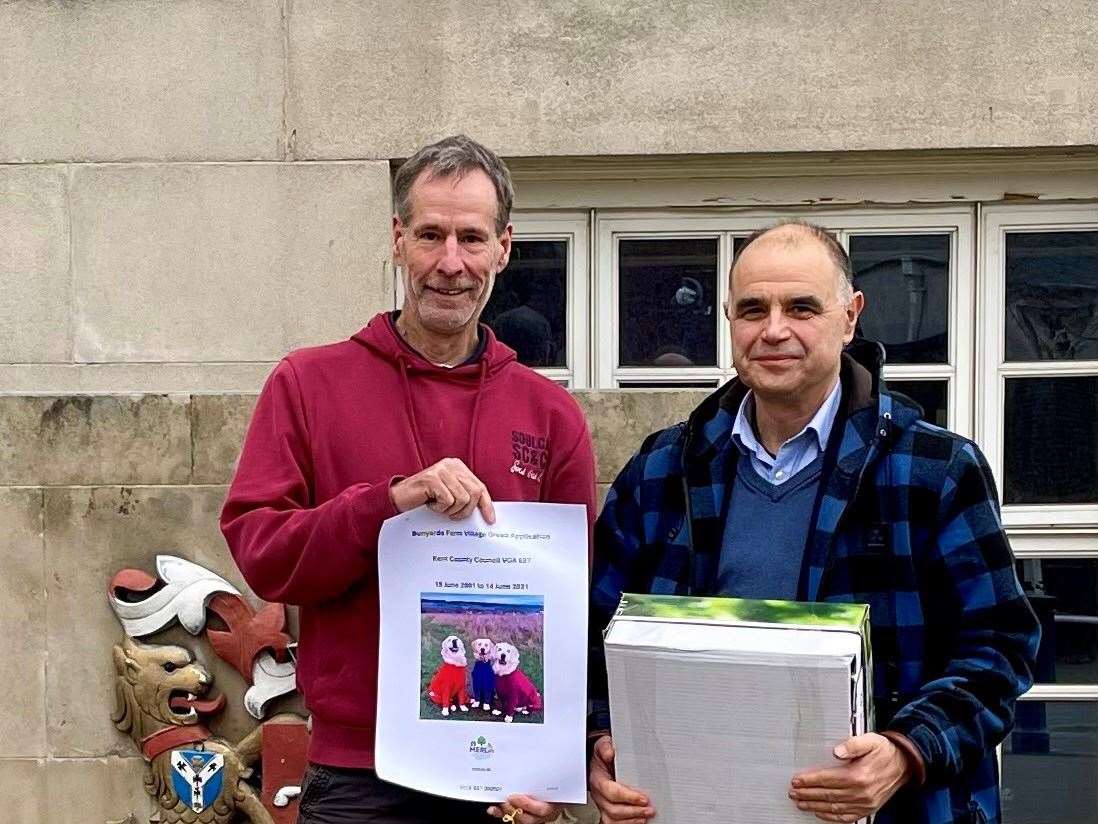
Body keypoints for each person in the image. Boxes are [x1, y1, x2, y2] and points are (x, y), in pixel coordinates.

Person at [586, 221, 1040, 824]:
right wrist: (598, 746)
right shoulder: (661, 471)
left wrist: (906, 752)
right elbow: (594, 641)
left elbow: (1001, 647)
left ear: (849, 318)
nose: (774, 330)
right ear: (729, 319)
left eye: (801, 307)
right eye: (753, 309)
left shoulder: (935, 470)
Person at [221, 134, 595, 824]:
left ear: (504, 248)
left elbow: (575, 605)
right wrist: (387, 503)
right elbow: (264, 556)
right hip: (360, 774)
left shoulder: (550, 414)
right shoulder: (308, 384)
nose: (450, 263)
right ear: (397, 239)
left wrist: (557, 762)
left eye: (471, 239)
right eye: (430, 236)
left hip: (503, 770)